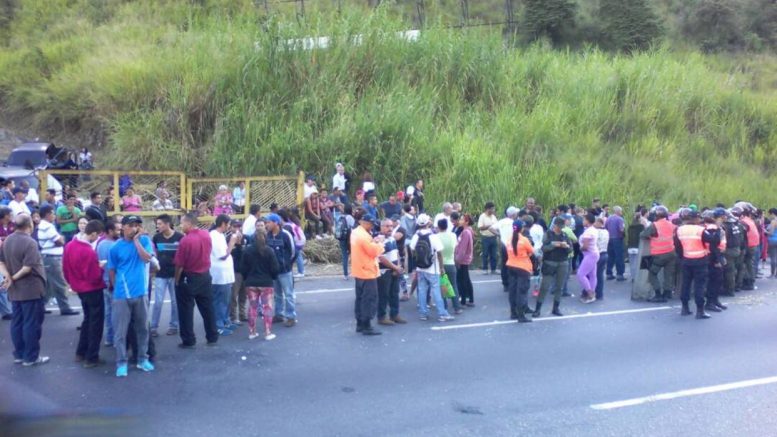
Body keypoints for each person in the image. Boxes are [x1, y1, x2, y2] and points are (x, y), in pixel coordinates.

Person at [107, 215, 155, 377]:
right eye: (131, 225)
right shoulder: (115, 248)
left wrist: (136, 241)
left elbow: (147, 258)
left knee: (142, 329)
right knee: (120, 331)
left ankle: (142, 359)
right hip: (122, 295)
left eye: (137, 225)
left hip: (141, 293)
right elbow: (112, 270)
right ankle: (121, 362)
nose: (134, 228)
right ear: (123, 227)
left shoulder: (145, 242)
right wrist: (116, 288)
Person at [1, 214, 49, 366]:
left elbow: (1, 262)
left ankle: (19, 354)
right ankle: (31, 357)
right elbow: (27, 268)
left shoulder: (7, 240)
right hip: (31, 289)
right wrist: (13, 278)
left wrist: (8, 277)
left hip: (15, 291)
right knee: (31, 324)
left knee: (17, 322)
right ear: (30, 224)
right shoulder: (30, 242)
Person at [63, 220, 106, 368]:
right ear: (93, 233)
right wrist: (100, 267)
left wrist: (72, 283)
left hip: (79, 288)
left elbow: (65, 268)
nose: (98, 238)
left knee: (87, 319)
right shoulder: (88, 251)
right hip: (92, 289)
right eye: (97, 235)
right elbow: (94, 276)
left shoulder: (69, 246)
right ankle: (91, 356)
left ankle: (81, 352)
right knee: (96, 323)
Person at [174, 214, 219, 348]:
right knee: (208, 307)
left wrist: (177, 280)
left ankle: (188, 339)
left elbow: (179, 264)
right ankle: (212, 336)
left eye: (182, 223)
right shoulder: (206, 235)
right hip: (205, 275)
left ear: (189, 223)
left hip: (190, 276)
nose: (180, 226)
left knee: (186, 310)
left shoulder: (185, 240)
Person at [410, 214, 454, 322]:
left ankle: (423, 313)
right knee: (436, 291)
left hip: (420, 268)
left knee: (422, 291)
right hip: (432, 268)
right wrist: (442, 267)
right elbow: (439, 253)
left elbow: (412, 250)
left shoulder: (416, 236)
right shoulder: (433, 236)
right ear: (428, 223)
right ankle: (442, 313)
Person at [37, 205, 79, 316]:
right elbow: (59, 241)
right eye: (53, 213)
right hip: (52, 258)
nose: (54, 216)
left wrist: (60, 239)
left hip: (48, 257)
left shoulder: (43, 225)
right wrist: (61, 239)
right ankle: (65, 307)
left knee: (49, 285)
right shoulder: (48, 226)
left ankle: (40, 305)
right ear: (47, 214)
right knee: (59, 283)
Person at [240, 225, 279, 340]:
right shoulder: (269, 251)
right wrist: (272, 277)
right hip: (266, 282)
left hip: (251, 282)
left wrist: (247, 278)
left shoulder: (247, 250)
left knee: (252, 308)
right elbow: (275, 268)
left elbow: (243, 268)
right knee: (267, 307)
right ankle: (267, 332)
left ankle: (252, 332)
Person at [675, 209, 715, 320]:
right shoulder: (700, 230)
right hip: (700, 261)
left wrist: (682, 257)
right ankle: (700, 311)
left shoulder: (679, 229)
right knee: (699, 286)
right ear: (696, 218)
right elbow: (712, 240)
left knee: (685, 285)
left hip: (686, 260)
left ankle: (684, 308)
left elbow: (677, 246)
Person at [351, 212, 385, 335]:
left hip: (359, 269)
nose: (372, 227)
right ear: (365, 223)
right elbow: (373, 251)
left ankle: (360, 323)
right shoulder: (363, 236)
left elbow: (366, 246)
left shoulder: (356, 232)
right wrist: (380, 242)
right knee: (369, 298)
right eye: (371, 225)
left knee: (360, 298)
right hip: (367, 271)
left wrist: (373, 241)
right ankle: (367, 325)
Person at [150, 214, 182, 337]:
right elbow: (155, 254)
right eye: (157, 224)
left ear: (167, 224)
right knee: (158, 302)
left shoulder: (179, 237)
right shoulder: (156, 237)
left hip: (174, 274)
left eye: (160, 224)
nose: (158, 226)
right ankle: (153, 327)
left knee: (175, 302)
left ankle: (174, 325)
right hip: (160, 274)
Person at [533, 216, 571, 317]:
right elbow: (543, 248)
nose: (560, 228)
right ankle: (537, 309)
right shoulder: (548, 235)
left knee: (559, 287)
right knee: (545, 286)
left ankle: (556, 308)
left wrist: (566, 246)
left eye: (561, 226)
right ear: (555, 225)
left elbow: (570, 249)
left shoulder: (565, 235)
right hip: (550, 263)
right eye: (559, 226)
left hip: (562, 262)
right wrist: (554, 245)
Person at [265, 213, 297, 327]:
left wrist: (287, 264)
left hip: (285, 271)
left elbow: (293, 251)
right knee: (277, 294)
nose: (266, 225)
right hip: (273, 272)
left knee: (288, 294)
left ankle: (291, 316)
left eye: (268, 222)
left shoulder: (286, 235)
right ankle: (279, 314)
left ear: (276, 223)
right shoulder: (267, 236)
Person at [640, 205, 677, 303]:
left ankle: (658, 295)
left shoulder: (655, 225)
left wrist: (651, 237)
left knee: (652, 274)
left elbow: (643, 235)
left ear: (656, 215)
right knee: (668, 274)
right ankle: (667, 293)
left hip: (659, 254)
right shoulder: (671, 224)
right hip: (671, 253)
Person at [210, 214, 239, 336]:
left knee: (226, 300)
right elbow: (222, 255)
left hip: (226, 274)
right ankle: (218, 325)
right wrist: (232, 243)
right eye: (228, 224)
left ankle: (225, 321)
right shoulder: (214, 236)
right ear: (223, 224)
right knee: (219, 301)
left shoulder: (221, 235)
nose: (229, 227)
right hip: (219, 275)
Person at [376, 219, 406, 326]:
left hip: (394, 270)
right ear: (381, 227)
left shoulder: (392, 238)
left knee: (394, 293)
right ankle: (382, 317)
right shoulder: (379, 240)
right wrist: (395, 267)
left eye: (391, 226)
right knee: (383, 295)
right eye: (387, 226)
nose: (390, 228)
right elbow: (381, 257)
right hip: (384, 271)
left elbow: (396, 253)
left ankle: (394, 315)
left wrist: (398, 266)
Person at [505, 219, 535, 323]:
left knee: (513, 291)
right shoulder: (524, 240)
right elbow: (532, 251)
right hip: (523, 267)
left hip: (511, 266)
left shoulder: (509, 239)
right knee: (522, 291)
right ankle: (521, 315)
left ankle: (513, 312)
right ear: (521, 228)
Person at [97, 221, 119, 347]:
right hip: (112, 282)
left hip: (104, 281)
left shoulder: (100, 245)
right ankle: (116, 339)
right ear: (110, 231)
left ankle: (109, 337)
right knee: (116, 312)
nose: (119, 231)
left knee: (108, 311)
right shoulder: (114, 245)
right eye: (116, 229)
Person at [703, 209, 728, 313]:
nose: (726, 217)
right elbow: (712, 246)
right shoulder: (712, 228)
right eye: (724, 216)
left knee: (718, 280)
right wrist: (717, 260)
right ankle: (710, 302)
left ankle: (715, 300)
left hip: (718, 254)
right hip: (713, 257)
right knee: (714, 280)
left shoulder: (719, 227)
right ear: (721, 216)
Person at [437, 218, 463, 315]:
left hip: (440, 264)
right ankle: (457, 307)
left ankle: (444, 307)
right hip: (451, 262)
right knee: (453, 285)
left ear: (439, 227)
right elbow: (456, 247)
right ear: (447, 226)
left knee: (443, 286)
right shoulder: (453, 235)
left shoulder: (436, 236)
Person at [228, 219, 248, 325]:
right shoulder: (228, 238)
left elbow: (247, 253)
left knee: (243, 294)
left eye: (239, 226)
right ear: (230, 227)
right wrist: (238, 245)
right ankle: (233, 316)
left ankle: (242, 314)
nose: (237, 229)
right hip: (235, 270)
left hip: (245, 270)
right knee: (233, 295)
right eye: (234, 226)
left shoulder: (246, 238)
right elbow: (232, 254)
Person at [577, 213, 599, 304]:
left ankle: (590, 293)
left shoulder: (588, 232)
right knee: (592, 275)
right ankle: (592, 293)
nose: (583, 221)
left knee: (580, 274)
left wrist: (580, 248)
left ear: (588, 221)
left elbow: (585, 246)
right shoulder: (592, 230)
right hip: (593, 253)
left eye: (584, 220)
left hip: (589, 254)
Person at [497, 207, 520, 292]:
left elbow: (491, 228)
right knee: (513, 264)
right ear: (513, 214)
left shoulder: (502, 221)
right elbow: (517, 231)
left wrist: (499, 234)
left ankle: (505, 284)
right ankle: (512, 282)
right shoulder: (514, 222)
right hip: (511, 244)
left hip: (503, 244)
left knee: (504, 264)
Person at [455, 214, 475, 307]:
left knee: (464, 279)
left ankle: (465, 300)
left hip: (463, 259)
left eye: (462, 219)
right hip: (465, 258)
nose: (460, 221)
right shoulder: (466, 231)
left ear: (466, 222)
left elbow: (463, 248)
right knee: (465, 279)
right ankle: (468, 299)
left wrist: (458, 260)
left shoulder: (466, 232)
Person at [605, 206, 626, 281]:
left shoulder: (609, 218)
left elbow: (606, 228)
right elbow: (621, 229)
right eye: (621, 211)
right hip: (617, 238)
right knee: (619, 256)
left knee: (611, 256)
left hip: (609, 239)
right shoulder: (620, 219)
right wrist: (623, 234)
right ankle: (620, 274)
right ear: (618, 211)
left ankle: (609, 273)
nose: (621, 213)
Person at [477, 202, 499, 275]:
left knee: (494, 254)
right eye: (492, 209)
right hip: (485, 238)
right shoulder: (482, 216)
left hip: (493, 237)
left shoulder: (493, 217)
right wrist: (489, 226)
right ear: (488, 209)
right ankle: (485, 269)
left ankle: (493, 269)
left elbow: (497, 226)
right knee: (485, 254)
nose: (493, 210)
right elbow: (480, 227)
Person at [336, 204, 355, 280]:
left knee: (344, 256)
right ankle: (354, 271)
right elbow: (353, 227)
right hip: (349, 239)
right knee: (353, 255)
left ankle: (345, 274)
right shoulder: (350, 217)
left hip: (342, 238)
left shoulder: (341, 217)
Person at [594, 217, 609, 301]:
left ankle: (591, 292)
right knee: (600, 275)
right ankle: (599, 294)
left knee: (593, 275)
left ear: (599, 223)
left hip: (597, 254)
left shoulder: (596, 232)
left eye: (595, 222)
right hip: (605, 253)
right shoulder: (606, 231)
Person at [767, 208, 777, 278]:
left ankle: (772, 273)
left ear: (773, 213)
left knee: (773, 258)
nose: (770, 216)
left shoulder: (774, 221)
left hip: (773, 240)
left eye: (770, 214)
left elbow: (771, 233)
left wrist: (765, 231)